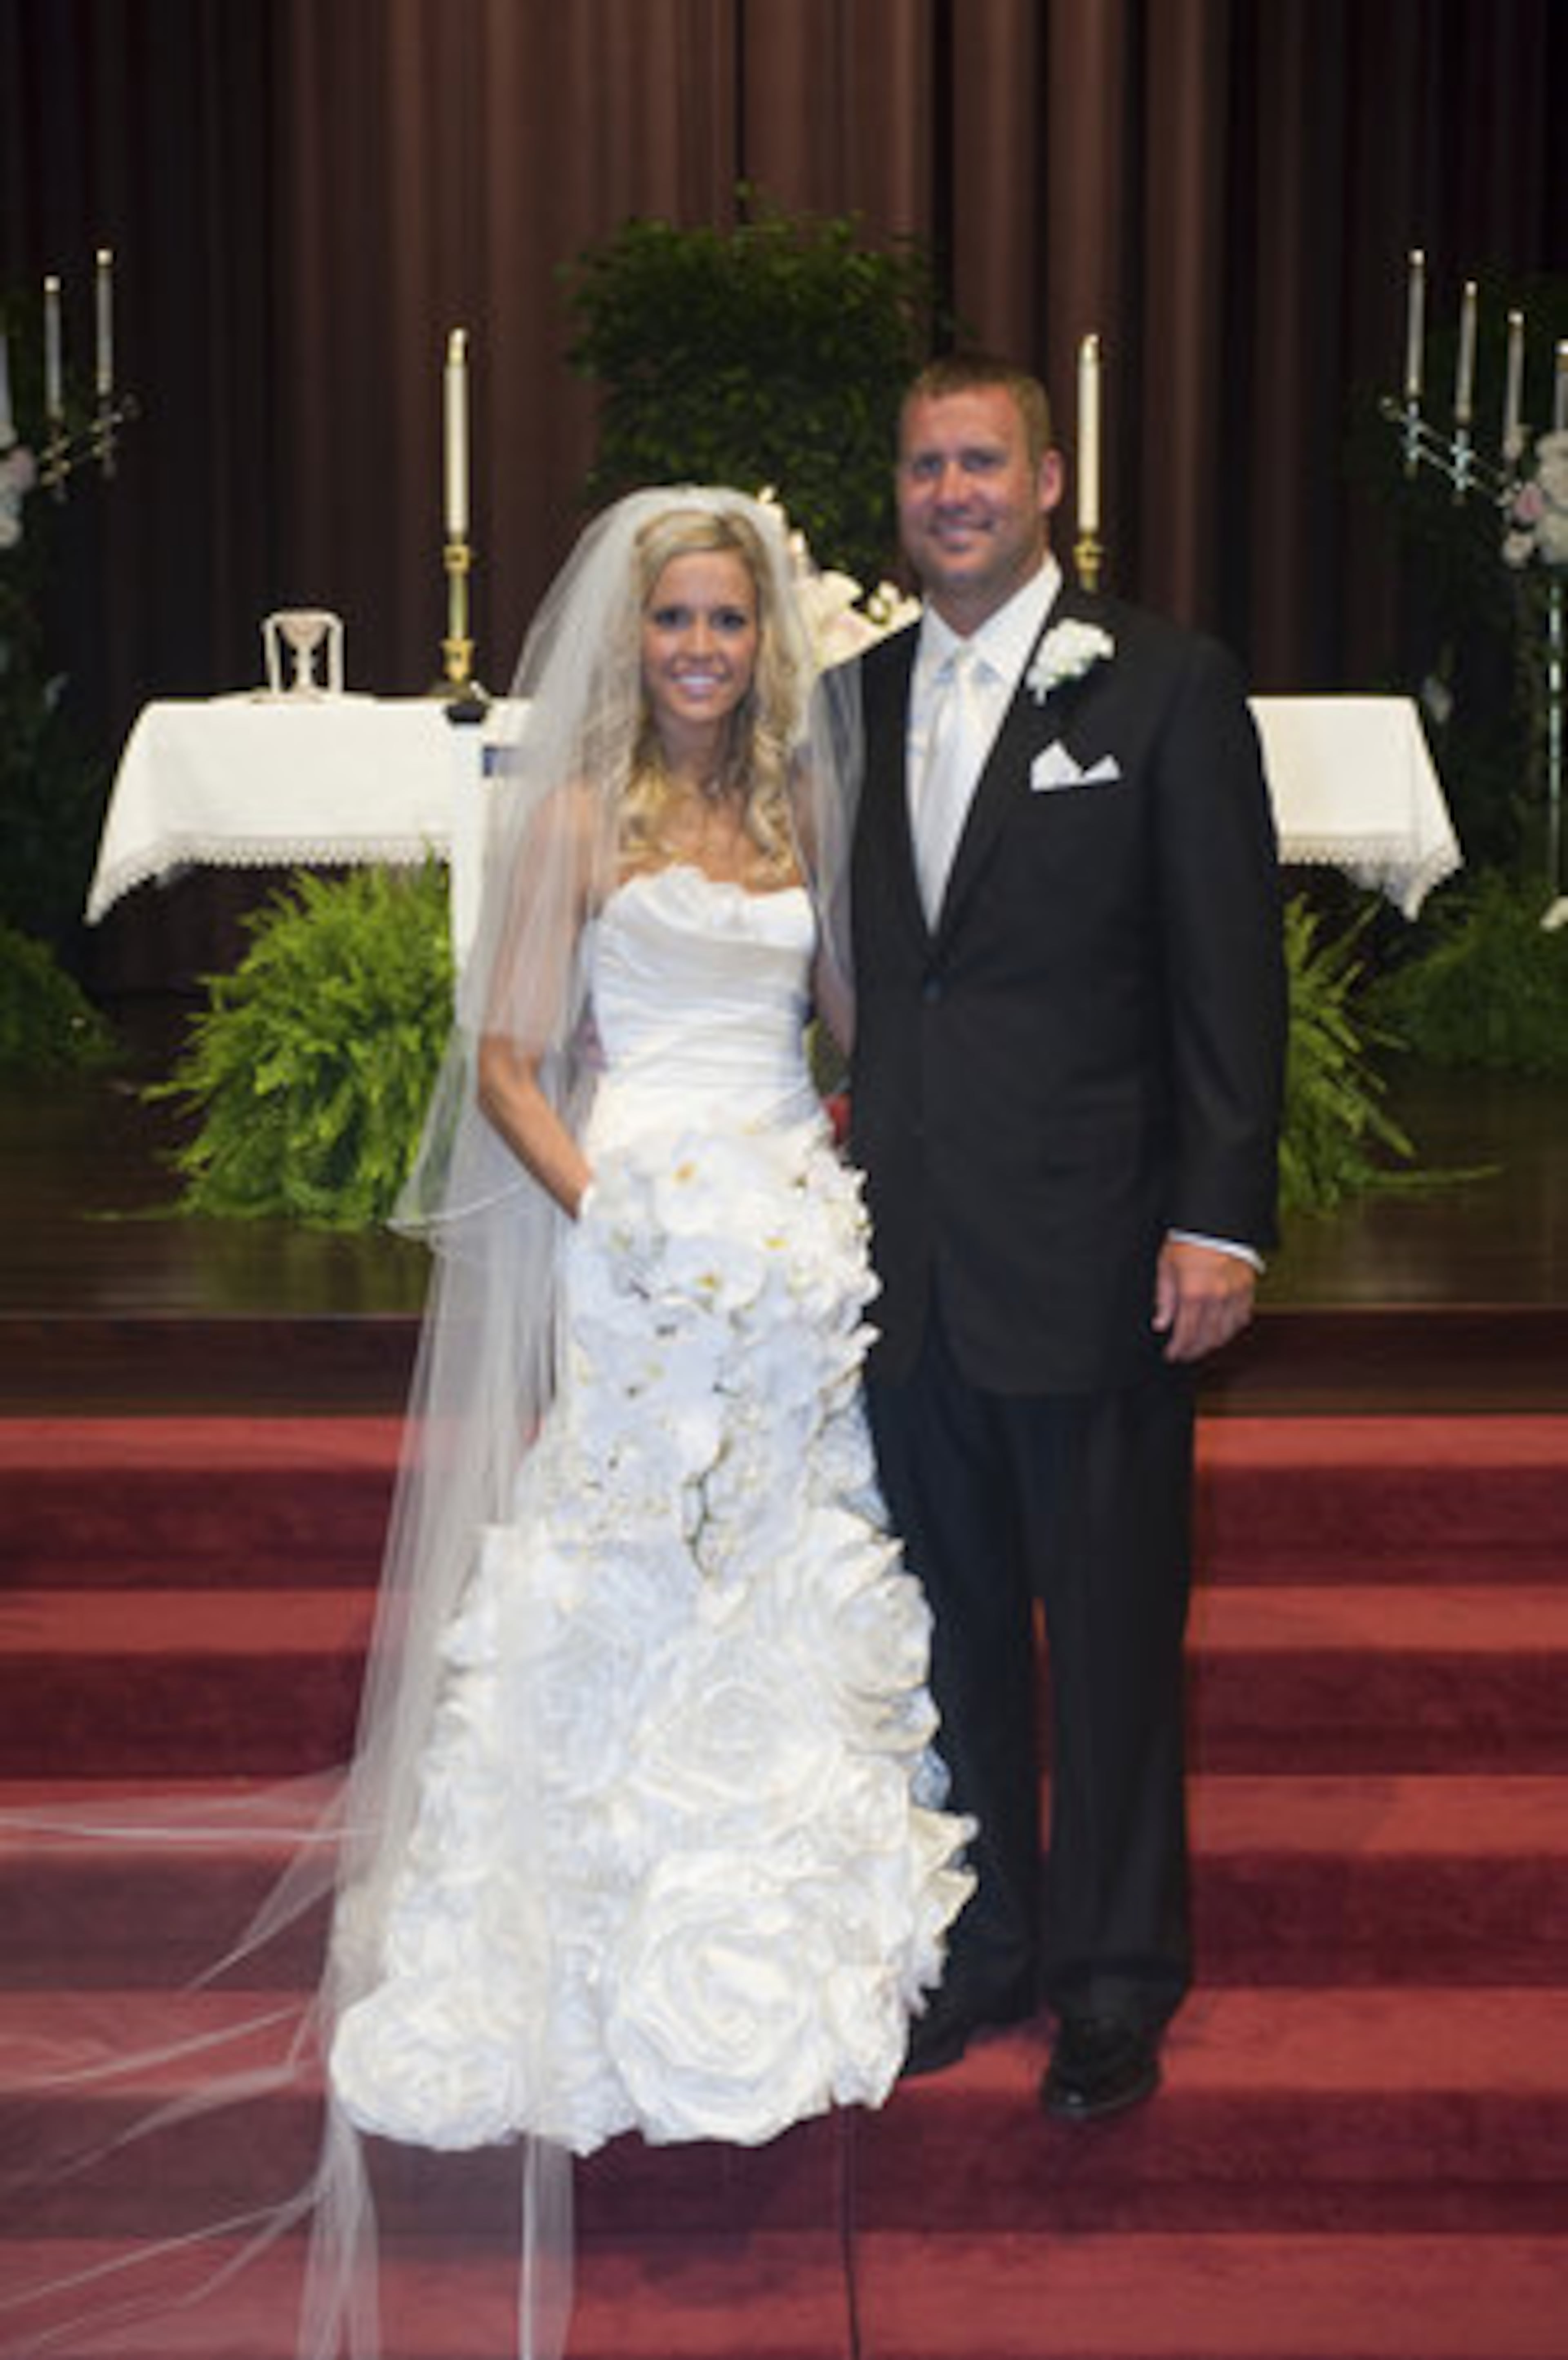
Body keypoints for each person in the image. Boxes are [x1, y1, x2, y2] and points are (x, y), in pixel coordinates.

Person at [0, 490, 971, 2360]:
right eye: (675, 621)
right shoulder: (571, 818)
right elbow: (510, 1057)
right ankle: (583, 1940)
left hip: (782, 1248)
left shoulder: (798, 814)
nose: (700, 649)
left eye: (728, 622)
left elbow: (846, 1019)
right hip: (638, 1233)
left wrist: (839, 1173)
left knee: (782, 1558)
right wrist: (618, 1209)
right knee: (622, 1571)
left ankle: (784, 1927)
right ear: (637, 637)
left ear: (767, 643)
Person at [846, 354, 1286, 2120]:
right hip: (913, 1261)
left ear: (1046, 481)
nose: (952, 490)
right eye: (924, 463)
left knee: (1106, 1636)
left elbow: (1225, 979)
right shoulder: (855, 697)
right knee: (949, 1637)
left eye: (982, 461)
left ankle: (1113, 1978)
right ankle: (993, 1941)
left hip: (1104, 1256)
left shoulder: (1169, 685)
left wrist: (1217, 1220)